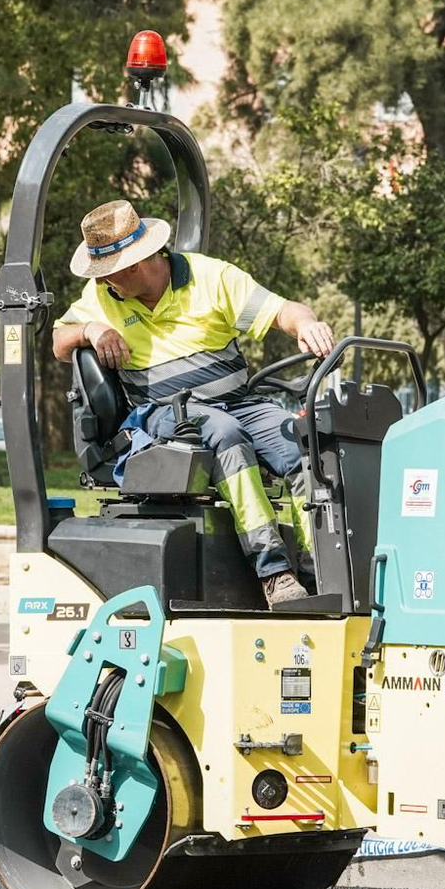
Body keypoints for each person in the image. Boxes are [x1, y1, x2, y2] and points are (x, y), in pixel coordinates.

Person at [53, 199, 335, 607]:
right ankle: (274, 572)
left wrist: (306, 324)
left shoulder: (210, 277)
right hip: (165, 413)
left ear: (134, 265)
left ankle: (319, 570)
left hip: (239, 402)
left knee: (303, 444)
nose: (100, 282)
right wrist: (91, 330)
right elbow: (59, 341)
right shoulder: (101, 297)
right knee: (225, 434)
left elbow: (284, 311)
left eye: (106, 273)